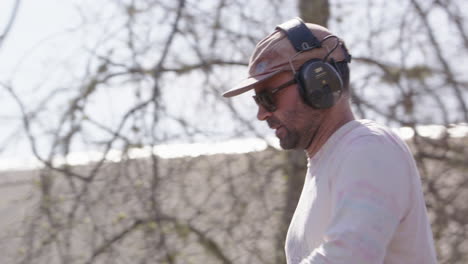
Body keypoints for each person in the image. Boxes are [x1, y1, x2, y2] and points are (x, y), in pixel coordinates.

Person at [222, 18, 438, 264]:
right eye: (257, 101)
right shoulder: (331, 162)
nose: (262, 114)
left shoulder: (369, 148)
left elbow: (350, 256)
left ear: (318, 82)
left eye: (268, 97)